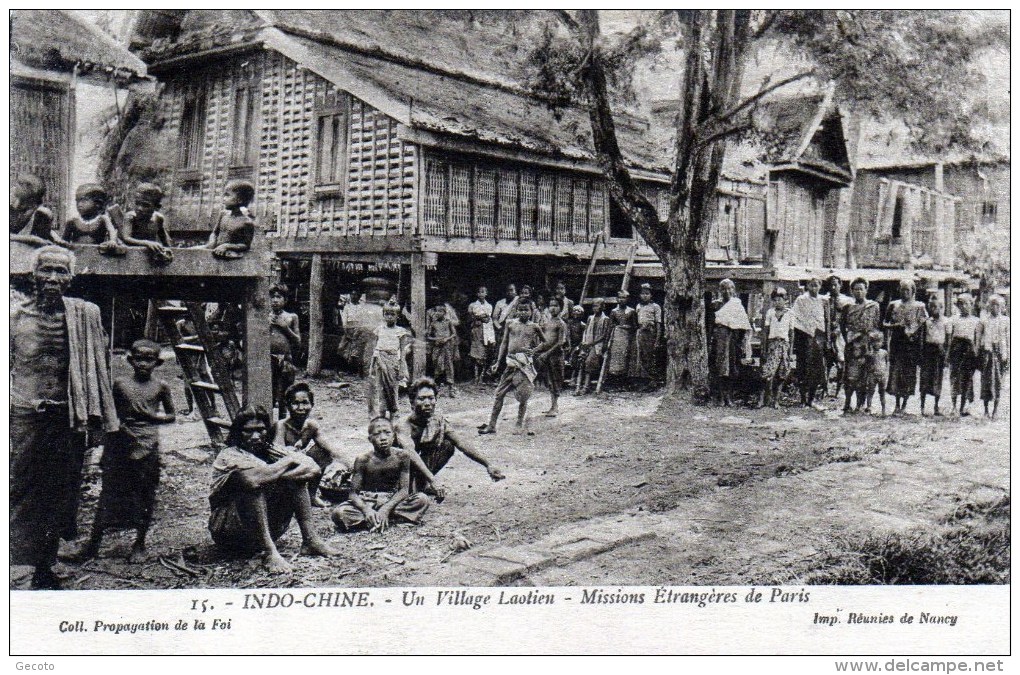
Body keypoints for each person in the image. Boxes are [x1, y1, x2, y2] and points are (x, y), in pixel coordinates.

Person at [11, 247, 119, 589]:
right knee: (15, 487)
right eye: (47, 271)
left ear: (70, 278)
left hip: (66, 417)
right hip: (22, 416)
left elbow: (98, 369)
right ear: (33, 275)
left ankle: (45, 566)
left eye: (61, 272)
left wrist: (99, 418)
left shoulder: (84, 315)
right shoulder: (13, 316)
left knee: (59, 491)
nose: (53, 279)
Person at [68, 340, 175, 563]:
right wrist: (118, 427)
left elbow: (171, 415)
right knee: (109, 492)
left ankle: (139, 543)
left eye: (149, 360)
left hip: (147, 443)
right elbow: (110, 411)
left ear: (158, 362)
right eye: (139, 359)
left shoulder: (161, 386)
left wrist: (151, 418)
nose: (143, 364)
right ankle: (93, 544)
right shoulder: (120, 384)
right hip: (120, 442)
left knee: (145, 492)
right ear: (130, 360)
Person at [208, 407, 338, 574]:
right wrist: (289, 460)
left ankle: (310, 540)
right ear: (238, 433)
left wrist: (282, 475)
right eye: (248, 431)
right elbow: (252, 480)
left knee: (294, 481)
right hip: (230, 532)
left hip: (268, 528)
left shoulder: (270, 449)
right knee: (253, 485)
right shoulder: (229, 455)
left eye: (260, 430)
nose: (255, 436)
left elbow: (313, 469)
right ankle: (270, 552)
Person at [394, 377, 505, 497]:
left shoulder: (437, 421)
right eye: (421, 399)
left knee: (447, 445)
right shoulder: (403, 425)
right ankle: (407, 487)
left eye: (431, 398)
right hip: (394, 470)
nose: (427, 403)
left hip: (414, 469)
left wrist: (488, 464)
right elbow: (411, 454)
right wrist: (433, 480)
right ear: (412, 402)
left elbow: (460, 442)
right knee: (405, 491)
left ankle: (421, 485)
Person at [331, 417, 430, 532]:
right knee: (339, 513)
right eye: (377, 434)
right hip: (368, 500)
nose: (383, 438)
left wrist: (386, 509)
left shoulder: (403, 456)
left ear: (394, 436)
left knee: (422, 499)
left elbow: (404, 490)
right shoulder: (363, 460)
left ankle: (375, 520)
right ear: (370, 439)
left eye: (387, 433)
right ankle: (380, 518)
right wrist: (366, 510)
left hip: (392, 500)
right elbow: (353, 494)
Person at [274, 382, 350, 506]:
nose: (301, 408)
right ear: (288, 406)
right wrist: (296, 454)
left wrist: (352, 466)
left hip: (298, 462)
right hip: (281, 469)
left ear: (312, 405)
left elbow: (330, 449)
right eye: (295, 403)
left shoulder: (311, 426)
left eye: (305, 403)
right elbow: (278, 456)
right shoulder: (281, 426)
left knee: (322, 452)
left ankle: (311, 495)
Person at [479, 299, 545, 435]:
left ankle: (519, 424)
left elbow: (545, 342)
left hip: (524, 365)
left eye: (526, 310)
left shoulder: (534, 327)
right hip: (510, 364)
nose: (523, 312)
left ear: (531, 311)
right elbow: (504, 343)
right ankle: (492, 425)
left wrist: (534, 350)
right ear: (516, 310)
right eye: (520, 309)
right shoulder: (510, 324)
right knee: (499, 394)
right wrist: (498, 362)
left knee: (523, 396)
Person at [883, 279, 928, 414]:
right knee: (896, 371)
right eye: (902, 289)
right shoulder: (893, 305)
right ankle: (897, 403)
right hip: (897, 341)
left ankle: (904, 404)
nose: (905, 292)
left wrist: (915, 333)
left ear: (913, 291)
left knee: (908, 373)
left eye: (907, 290)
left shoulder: (919, 306)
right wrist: (894, 326)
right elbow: (884, 323)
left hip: (911, 344)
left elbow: (925, 324)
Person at [840, 278, 882, 414]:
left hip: (867, 344)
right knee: (850, 375)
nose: (858, 292)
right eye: (855, 289)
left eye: (861, 289)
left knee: (865, 375)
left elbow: (876, 325)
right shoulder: (848, 307)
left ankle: (860, 404)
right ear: (851, 291)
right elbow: (842, 325)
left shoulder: (873, 306)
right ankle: (847, 402)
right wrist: (849, 337)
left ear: (866, 290)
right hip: (852, 344)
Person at [366, 303, 412, 419]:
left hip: (393, 361)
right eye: (386, 314)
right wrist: (372, 365)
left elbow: (402, 352)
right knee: (380, 387)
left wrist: (402, 367)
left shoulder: (401, 332)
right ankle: (381, 411)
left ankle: (394, 410)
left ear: (398, 316)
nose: (389, 317)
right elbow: (376, 348)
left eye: (392, 314)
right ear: (383, 315)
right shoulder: (379, 330)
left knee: (392, 387)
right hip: (380, 360)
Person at [711, 279, 752, 406]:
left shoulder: (737, 305)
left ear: (733, 290)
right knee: (721, 367)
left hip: (734, 338)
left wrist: (743, 342)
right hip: (720, 339)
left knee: (732, 367)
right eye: (724, 288)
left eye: (730, 288)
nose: (727, 291)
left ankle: (729, 397)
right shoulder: (716, 305)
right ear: (720, 290)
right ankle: (721, 397)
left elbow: (744, 324)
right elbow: (710, 324)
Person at [53, 184, 124, 254]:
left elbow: (111, 231)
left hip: (97, 256)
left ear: (97, 203)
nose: (79, 204)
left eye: (84, 201)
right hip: (77, 255)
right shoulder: (72, 222)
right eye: (77, 201)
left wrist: (112, 241)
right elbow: (64, 241)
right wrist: (62, 243)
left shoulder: (103, 219)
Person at [792, 278, 829, 409]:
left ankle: (811, 399)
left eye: (816, 286)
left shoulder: (824, 300)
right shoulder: (801, 300)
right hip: (803, 336)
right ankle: (802, 398)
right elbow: (795, 317)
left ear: (820, 286)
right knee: (803, 367)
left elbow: (826, 319)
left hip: (818, 337)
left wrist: (827, 338)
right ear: (807, 286)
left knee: (817, 368)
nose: (814, 288)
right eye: (811, 286)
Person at [200, 180, 256, 259]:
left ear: (240, 200)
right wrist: (212, 242)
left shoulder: (247, 222)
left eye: (227, 195)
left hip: (229, 255)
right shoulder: (223, 214)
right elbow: (215, 233)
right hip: (214, 249)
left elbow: (246, 245)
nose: (223, 199)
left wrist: (227, 246)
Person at [269, 283, 301, 418]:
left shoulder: (291, 317)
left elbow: (298, 341)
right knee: (268, 394)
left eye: (279, 297)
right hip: (268, 359)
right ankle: (267, 426)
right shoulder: (264, 316)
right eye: (272, 297)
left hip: (285, 360)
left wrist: (285, 328)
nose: (275, 300)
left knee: (284, 395)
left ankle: (282, 425)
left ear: (285, 300)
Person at [120, 183, 174, 264]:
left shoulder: (158, 218)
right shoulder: (130, 217)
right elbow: (126, 238)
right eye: (137, 203)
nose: (139, 208)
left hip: (149, 258)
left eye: (145, 205)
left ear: (157, 207)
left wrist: (168, 249)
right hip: (131, 257)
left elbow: (165, 241)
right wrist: (147, 243)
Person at [760, 287, 794, 408]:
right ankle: (764, 399)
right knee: (768, 372)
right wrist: (764, 348)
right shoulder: (770, 312)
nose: (778, 302)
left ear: (786, 300)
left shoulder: (790, 313)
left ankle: (776, 400)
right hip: (772, 344)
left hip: (784, 344)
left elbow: (791, 333)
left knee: (782, 373)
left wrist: (790, 351)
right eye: (775, 300)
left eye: (781, 299)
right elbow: (765, 331)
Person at [948, 293, 980, 416]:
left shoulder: (976, 321)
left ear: (971, 305)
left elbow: (977, 339)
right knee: (955, 377)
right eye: (960, 304)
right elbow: (950, 337)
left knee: (967, 379)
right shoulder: (954, 319)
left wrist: (976, 352)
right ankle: (954, 406)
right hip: (956, 349)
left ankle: (963, 406)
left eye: (966, 303)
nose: (963, 306)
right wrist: (949, 354)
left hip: (969, 351)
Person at [536, 296, 568, 417]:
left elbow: (560, 342)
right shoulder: (548, 322)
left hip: (556, 356)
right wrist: (536, 349)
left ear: (560, 308)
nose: (552, 308)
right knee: (549, 381)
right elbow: (545, 340)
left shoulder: (561, 323)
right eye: (550, 306)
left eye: (555, 306)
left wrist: (547, 353)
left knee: (556, 380)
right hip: (547, 356)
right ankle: (552, 405)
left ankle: (555, 407)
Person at [918, 295, 950, 417]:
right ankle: (922, 406)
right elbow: (922, 338)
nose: (933, 309)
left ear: (941, 307)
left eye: (935, 306)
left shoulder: (946, 321)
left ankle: (936, 407)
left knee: (937, 378)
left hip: (939, 351)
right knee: (925, 378)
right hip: (928, 351)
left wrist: (946, 355)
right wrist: (921, 353)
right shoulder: (926, 322)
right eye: (930, 306)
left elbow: (948, 339)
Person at [979, 295, 1009, 419]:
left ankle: (995, 410)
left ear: (1002, 307)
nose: (995, 308)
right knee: (986, 381)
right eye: (992, 305)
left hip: (1000, 353)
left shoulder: (1006, 321)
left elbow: (1008, 339)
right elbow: (980, 337)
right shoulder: (985, 320)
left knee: (998, 382)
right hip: (988, 353)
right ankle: (986, 410)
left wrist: (1008, 354)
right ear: (989, 306)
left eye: (998, 305)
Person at [10, 174, 57, 247]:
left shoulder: (42, 213)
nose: (15, 187)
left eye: (19, 184)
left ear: (30, 189)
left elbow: (40, 240)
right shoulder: (13, 210)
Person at [576, 298, 611, 395]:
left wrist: (591, 344)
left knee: (589, 361)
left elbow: (604, 335)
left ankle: (586, 386)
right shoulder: (590, 318)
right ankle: (578, 385)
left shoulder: (605, 319)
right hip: (587, 343)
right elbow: (586, 331)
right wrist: (584, 342)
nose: (594, 308)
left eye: (597, 305)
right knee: (580, 359)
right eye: (593, 306)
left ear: (603, 307)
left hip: (597, 345)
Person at [826, 276, 853, 395]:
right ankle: (825, 388)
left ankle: (838, 389)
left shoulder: (847, 300)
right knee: (826, 362)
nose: (833, 287)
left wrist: (841, 329)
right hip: (826, 334)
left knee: (841, 362)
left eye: (835, 284)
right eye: (831, 285)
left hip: (840, 335)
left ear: (840, 285)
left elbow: (849, 319)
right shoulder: (824, 299)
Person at [634, 283, 663, 390]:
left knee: (649, 356)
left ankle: (653, 380)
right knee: (641, 356)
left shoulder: (655, 307)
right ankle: (644, 380)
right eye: (642, 294)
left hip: (651, 333)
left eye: (647, 294)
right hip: (641, 332)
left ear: (651, 295)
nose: (644, 296)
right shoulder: (638, 306)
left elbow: (658, 324)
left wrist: (657, 340)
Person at [607, 289, 638, 387]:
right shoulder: (614, 312)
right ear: (617, 299)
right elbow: (610, 326)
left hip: (628, 337)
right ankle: (615, 383)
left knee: (626, 357)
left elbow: (635, 326)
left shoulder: (631, 311)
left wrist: (628, 327)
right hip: (617, 338)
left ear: (627, 299)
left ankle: (625, 382)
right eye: (620, 297)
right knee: (616, 358)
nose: (621, 300)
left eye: (624, 298)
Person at [427, 303, 459, 398]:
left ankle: (451, 388)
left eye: (440, 311)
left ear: (444, 313)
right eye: (436, 311)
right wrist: (436, 340)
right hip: (437, 347)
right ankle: (437, 388)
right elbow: (428, 336)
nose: (438, 313)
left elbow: (454, 333)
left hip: (447, 347)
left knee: (449, 365)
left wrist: (447, 339)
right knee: (437, 365)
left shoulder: (448, 322)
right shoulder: (433, 323)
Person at [467, 286, 496, 383]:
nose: (481, 294)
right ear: (477, 294)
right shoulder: (472, 305)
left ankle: (481, 377)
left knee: (484, 353)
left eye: (483, 292)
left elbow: (487, 319)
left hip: (486, 331)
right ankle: (475, 377)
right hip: (476, 331)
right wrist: (479, 317)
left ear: (486, 293)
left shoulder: (489, 306)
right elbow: (471, 317)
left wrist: (479, 316)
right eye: (479, 292)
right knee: (475, 354)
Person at [866, 331, 889, 416]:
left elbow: (886, 363)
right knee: (870, 391)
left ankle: (883, 410)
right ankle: (869, 408)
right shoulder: (870, 354)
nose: (877, 344)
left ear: (882, 342)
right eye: (874, 342)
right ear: (871, 343)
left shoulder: (884, 352)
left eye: (879, 341)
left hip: (882, 375)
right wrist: (870, 371)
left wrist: (885, 373)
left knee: (882, 393)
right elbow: (868, 365)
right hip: (873, 375)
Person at [566, 304, 587, 390]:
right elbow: (567, 335)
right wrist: (568, 344)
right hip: (569, 345)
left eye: (578, 311)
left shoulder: (583, 325)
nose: (576, 313)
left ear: (581, 314)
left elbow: (584, 338)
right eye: (574, 310)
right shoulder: (569, 323)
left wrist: (578, 347)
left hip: (578, 346)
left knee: (576, 359)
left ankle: (573, 378)